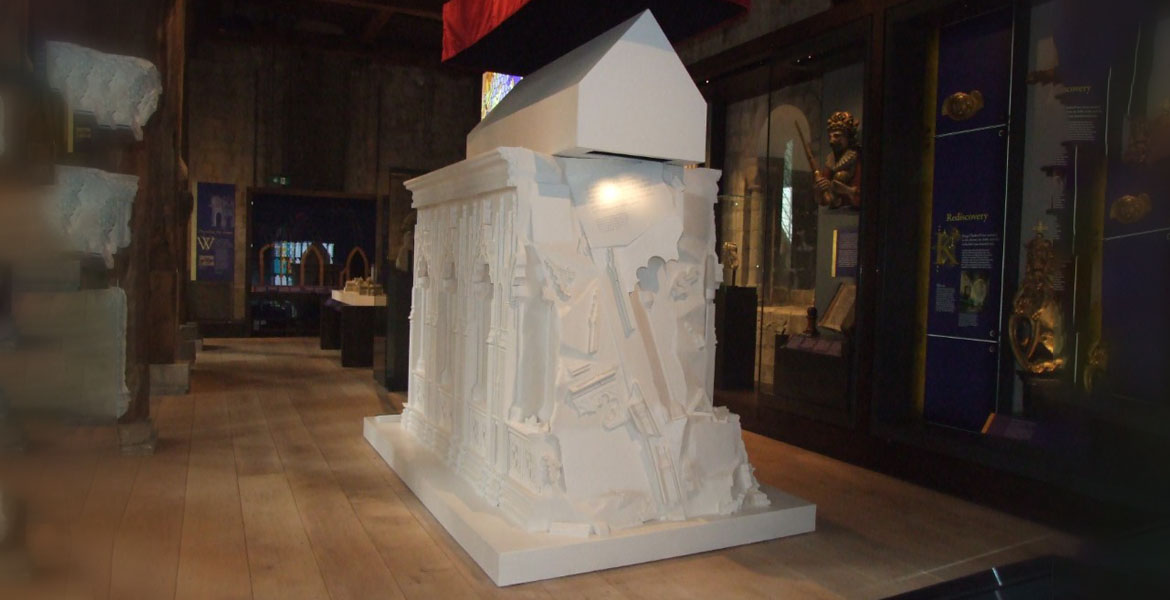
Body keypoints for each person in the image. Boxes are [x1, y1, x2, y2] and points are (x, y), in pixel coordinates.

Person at [814, 111, 862, 208]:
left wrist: (846, 190)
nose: (831, 141)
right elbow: (825, 199)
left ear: (848, 136)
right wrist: (820, 189)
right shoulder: (831, 159)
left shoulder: (858, 158)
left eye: (837, 136)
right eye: (830, 137)